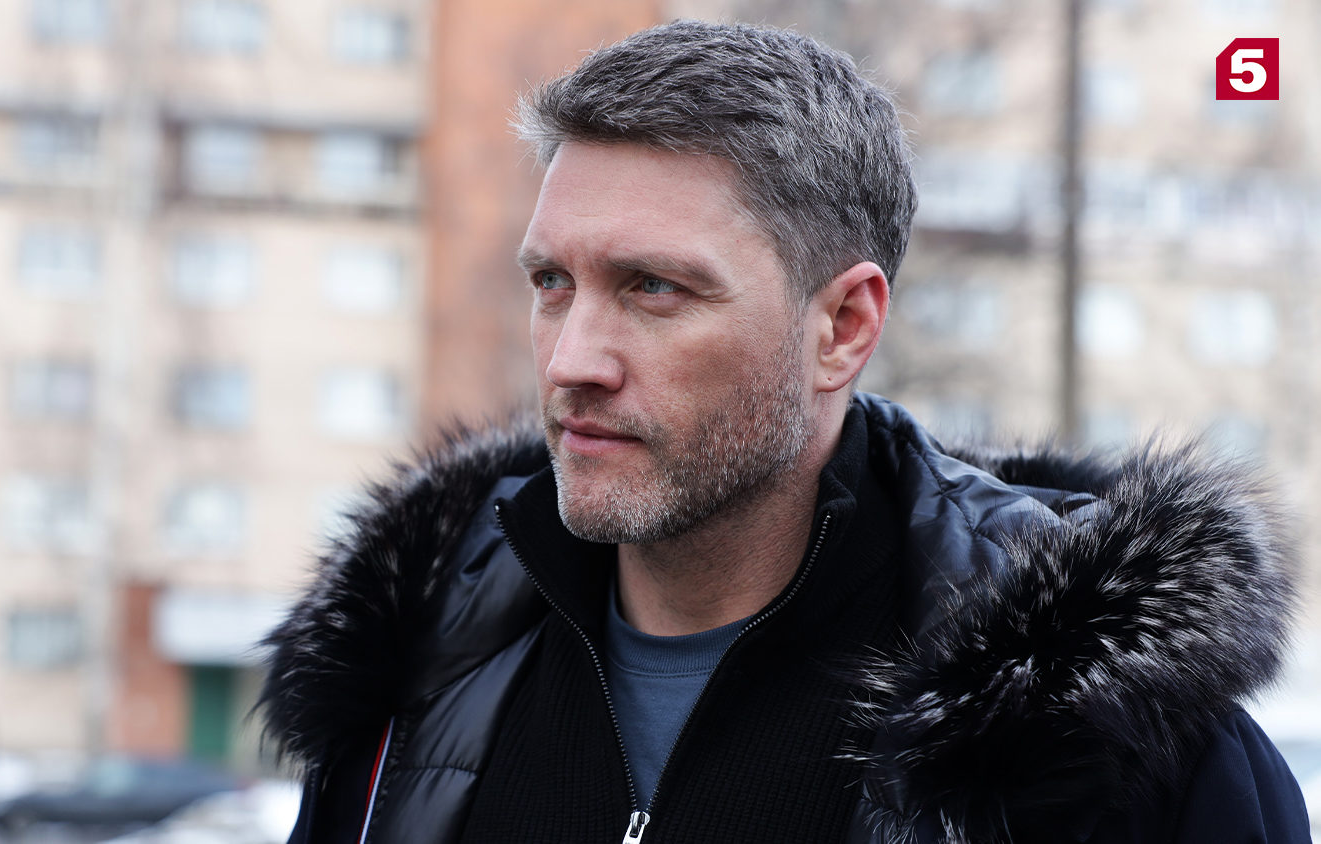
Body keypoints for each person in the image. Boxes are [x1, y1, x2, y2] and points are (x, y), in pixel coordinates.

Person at [260, 20, 1309, 844]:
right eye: (551, 282)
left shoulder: (1112, 739)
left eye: (654, 287)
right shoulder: (409, 665)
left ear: (842, 328)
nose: (574, 358)